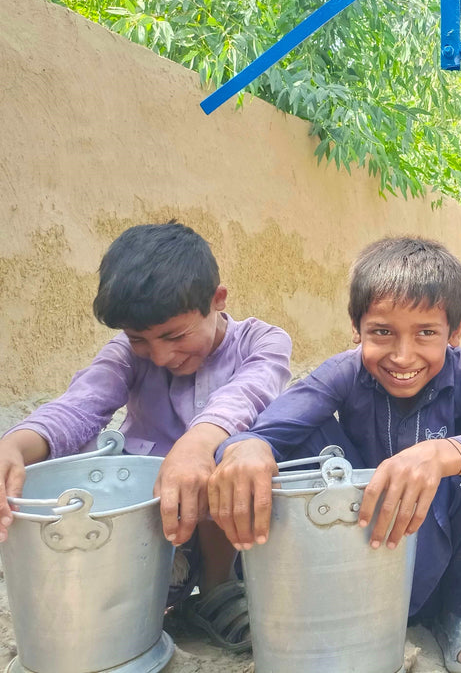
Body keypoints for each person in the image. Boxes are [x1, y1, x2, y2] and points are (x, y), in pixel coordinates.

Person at [208, 237, 461, 673]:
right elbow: (268, 428)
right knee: (291, 439)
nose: (402, 355)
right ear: (356, 328)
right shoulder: (344, 371)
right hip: (358, 556)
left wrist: (445, 452)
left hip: (448, 561)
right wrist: (247, 447)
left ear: (455, 332)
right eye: (382, 332)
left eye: (426, 333)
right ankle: (303, 600)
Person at [0, 221, 292, 650]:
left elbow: (244, 397)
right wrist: (14, 446)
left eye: (174, 336)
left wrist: (194, 447)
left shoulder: (263, 342)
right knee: (77, 462)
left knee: (226, 455)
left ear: (217, 300)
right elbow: (79, 407)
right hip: (148, 513)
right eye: (140, 340)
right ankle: (164, 585)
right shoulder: (124, 354)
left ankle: (216, 587)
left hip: (226, 514)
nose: (160, 355)